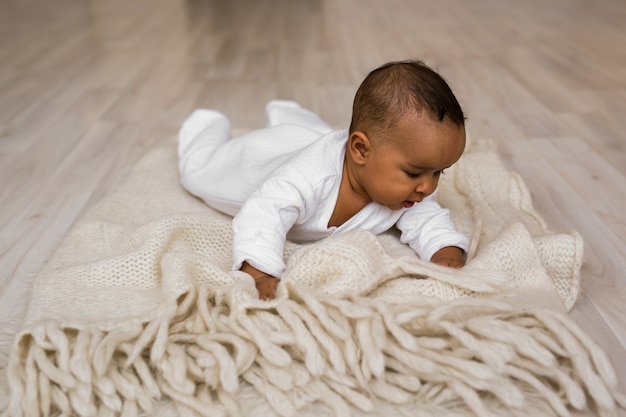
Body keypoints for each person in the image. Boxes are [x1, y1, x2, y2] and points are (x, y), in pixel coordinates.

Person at [178, 59, 470, 300]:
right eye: (414, 173)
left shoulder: (403, 191)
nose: (428, 187)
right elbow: (264, 213)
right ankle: (207, 123)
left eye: (438, 173)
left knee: (310, 133)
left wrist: (444, 248)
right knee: (197, 171)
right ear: (360, 150)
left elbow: (427, 217)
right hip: (264, 159)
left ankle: (287, 112)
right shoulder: (305, 179)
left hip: (314, 141)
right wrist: (259, 271)